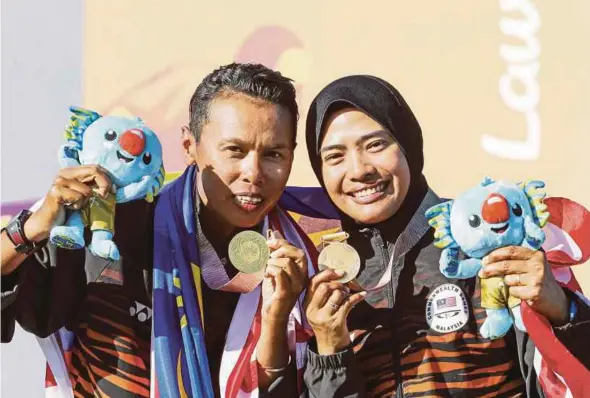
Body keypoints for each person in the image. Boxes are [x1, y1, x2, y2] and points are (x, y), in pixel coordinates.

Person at [1, 63, 314, 398]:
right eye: (234, 150)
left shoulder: (302, 254)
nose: (253, 173)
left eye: (274, 154)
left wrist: (275, 322)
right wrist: (30, 230)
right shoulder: (110, 227)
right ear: (189, 145)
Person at [281, 75, 590, 397]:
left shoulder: (481, 238)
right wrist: (330, 351)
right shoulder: (324, 276)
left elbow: (570, 381)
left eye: (375, 145)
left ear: (408, 146)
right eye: (334, 156)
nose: (358, 170)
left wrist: (560, 309)